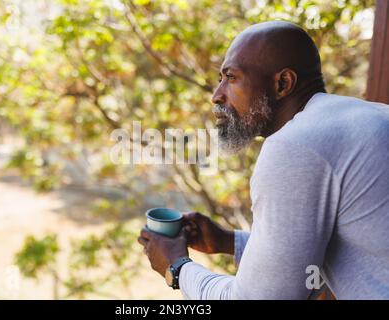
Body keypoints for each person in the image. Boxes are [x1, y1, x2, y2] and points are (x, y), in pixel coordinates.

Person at [137, 21, 389, 299]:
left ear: (282, 84)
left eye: (231, 78)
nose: (216, 95)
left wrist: (176, 266)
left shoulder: (297, 145)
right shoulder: (367, 116)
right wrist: (228, 241)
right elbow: (323, 260)